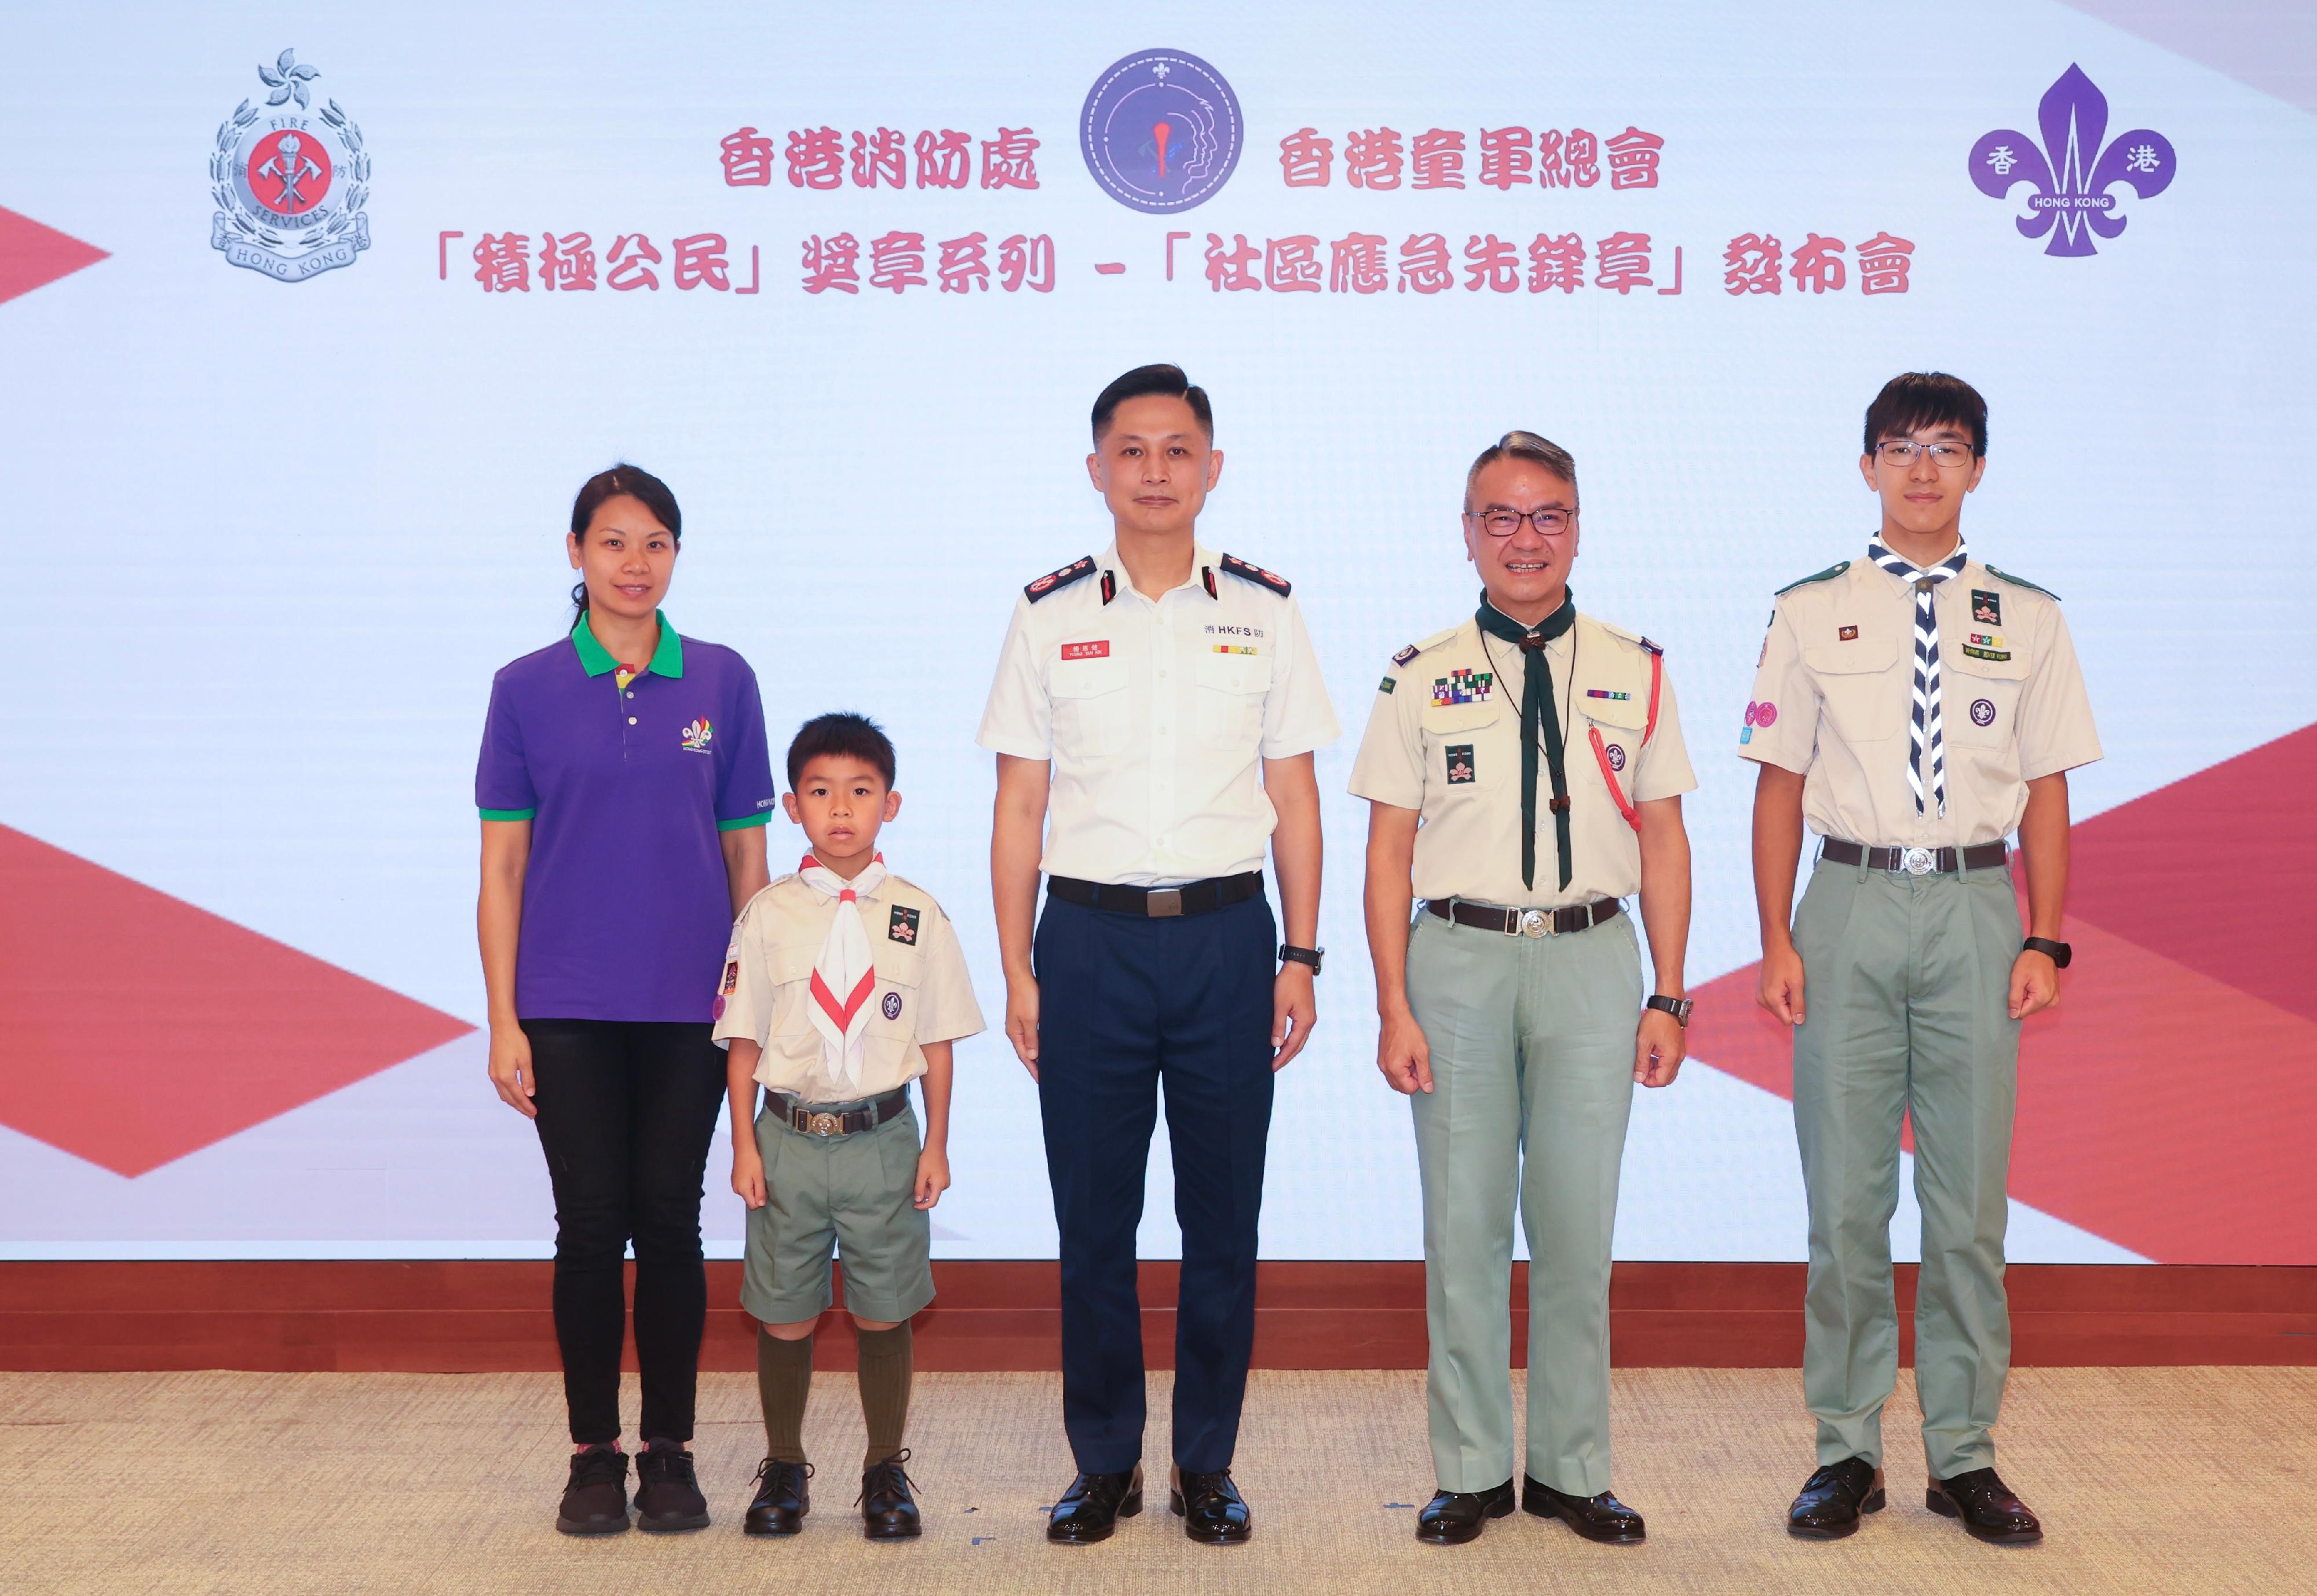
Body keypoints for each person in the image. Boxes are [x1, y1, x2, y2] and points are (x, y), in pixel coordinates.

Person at [978, 364, 1337, 1545]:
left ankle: (1204, 1466)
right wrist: (1019, 970)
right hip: (1084, 943)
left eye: (1175, 450)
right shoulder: (1046, 615)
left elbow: (1294, 794)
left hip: (1230, 941)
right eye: (1129, 451)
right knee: (1094, 1223)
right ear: (1096, 470)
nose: (1152, 472)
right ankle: (1103, 1464)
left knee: (1220, 1219)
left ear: (1210, 469)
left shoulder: (1265, 611)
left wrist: (1303, 953)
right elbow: (1018, 807)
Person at [1742, 373, 2100, 1545]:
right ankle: (1843, 1451)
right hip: (1843, 905)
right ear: (1865, 468)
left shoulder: (2027, 616)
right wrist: (1775, 937)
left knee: (1964, 1208)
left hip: (1971, 910)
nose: (1920, 470)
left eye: (1945, 449)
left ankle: (1961, 1455)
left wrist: (2043, 932)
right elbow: (1778, 787)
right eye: (1898, 449)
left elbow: (2044, 791)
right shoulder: (1807, 609)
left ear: (1976, 468)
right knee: (1843, 1203)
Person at [1350, 431, 1696, 1546]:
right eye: (1500, 518)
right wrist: (1394, 1003)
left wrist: (1671, 992)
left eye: (1547, 516)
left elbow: (1666, 837)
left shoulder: (1635, 667)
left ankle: (1570, 1468)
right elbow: (1387, 853)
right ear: (1467, 534)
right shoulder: (1419, 671)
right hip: (1457, 960)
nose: (1525, 538)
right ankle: (1469, 1469)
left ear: (1579, 528)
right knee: (1462, 1227)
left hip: (1597, 956)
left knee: (1576, 1226)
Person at [475, 464, 775, 1535]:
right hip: (564, 1003)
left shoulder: (723, 682)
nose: (635, 563)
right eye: (614, 543)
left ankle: (673, 1452)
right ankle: (593, 1455)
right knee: (591, 1226)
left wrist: (755, 998)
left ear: (676, 556)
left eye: (655, 543)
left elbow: (750, 857)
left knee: (673, 1222)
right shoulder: (524, 688)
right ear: (575, 553)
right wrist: (505, 1018)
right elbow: (502, 869)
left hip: (692, 1003)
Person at [716, 712, 983, 1540]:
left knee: (884, 1309)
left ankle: (883, 1470)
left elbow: (936, 1043)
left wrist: (937, 1143)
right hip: (789, 1141)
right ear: (792, 807)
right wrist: (744, 1144)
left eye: (860, 792)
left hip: (884, 1143)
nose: (841, 809)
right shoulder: (766, 915)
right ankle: (786, 1466)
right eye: (821, 792)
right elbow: (743, 1043)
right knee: (786, 1310)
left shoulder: (919, 915)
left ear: (890, 805)